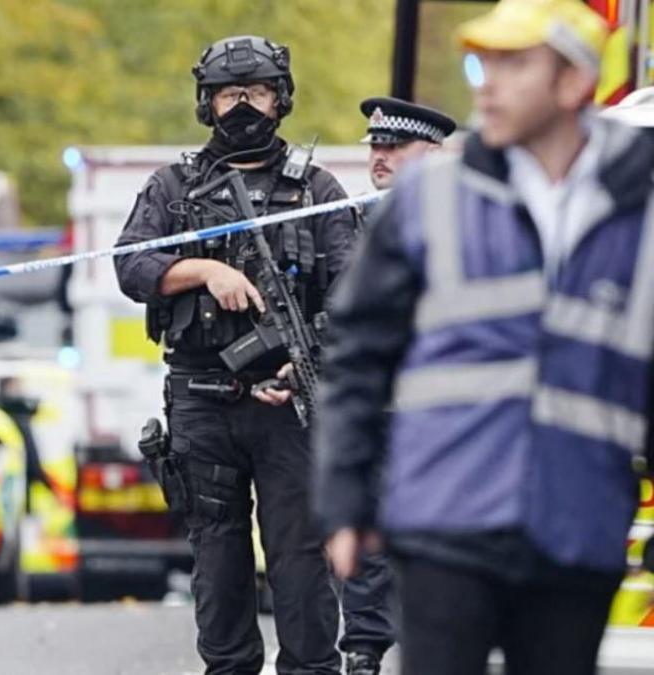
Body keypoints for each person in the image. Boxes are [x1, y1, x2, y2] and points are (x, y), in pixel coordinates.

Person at [315, 1, 654, 674]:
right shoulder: (430, 198)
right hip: (445, 520)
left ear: (575, 83)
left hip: (578, 525)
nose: (486, 84)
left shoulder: (638, 206)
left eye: (514, 64)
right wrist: (345, 496)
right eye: (482, 63)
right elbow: (356, 355)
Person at [114, 35, 356, 675]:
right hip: (202, 402)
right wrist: (197, 269)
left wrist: (305, 364)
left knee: (300, 562)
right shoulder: (173, 188)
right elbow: (130, 265)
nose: (244, 105)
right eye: (230, 93)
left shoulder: (318, 189)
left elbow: (356, 298)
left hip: (290, 408)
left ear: (281, 99)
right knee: (217, 561)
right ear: (208, 102)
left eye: (257, 92)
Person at [335, 95, 457, 675]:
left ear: (432, 155)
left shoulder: (464, 222)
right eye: (375, 148)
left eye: (393, 147)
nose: (379, 158)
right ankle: (363, 648)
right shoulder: (352, 222)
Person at [360, 96, 456, 190]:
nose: (378, 157)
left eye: (394, 146)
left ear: (433, 153)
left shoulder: (454, 204)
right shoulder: (358, 204)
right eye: (374, 146)